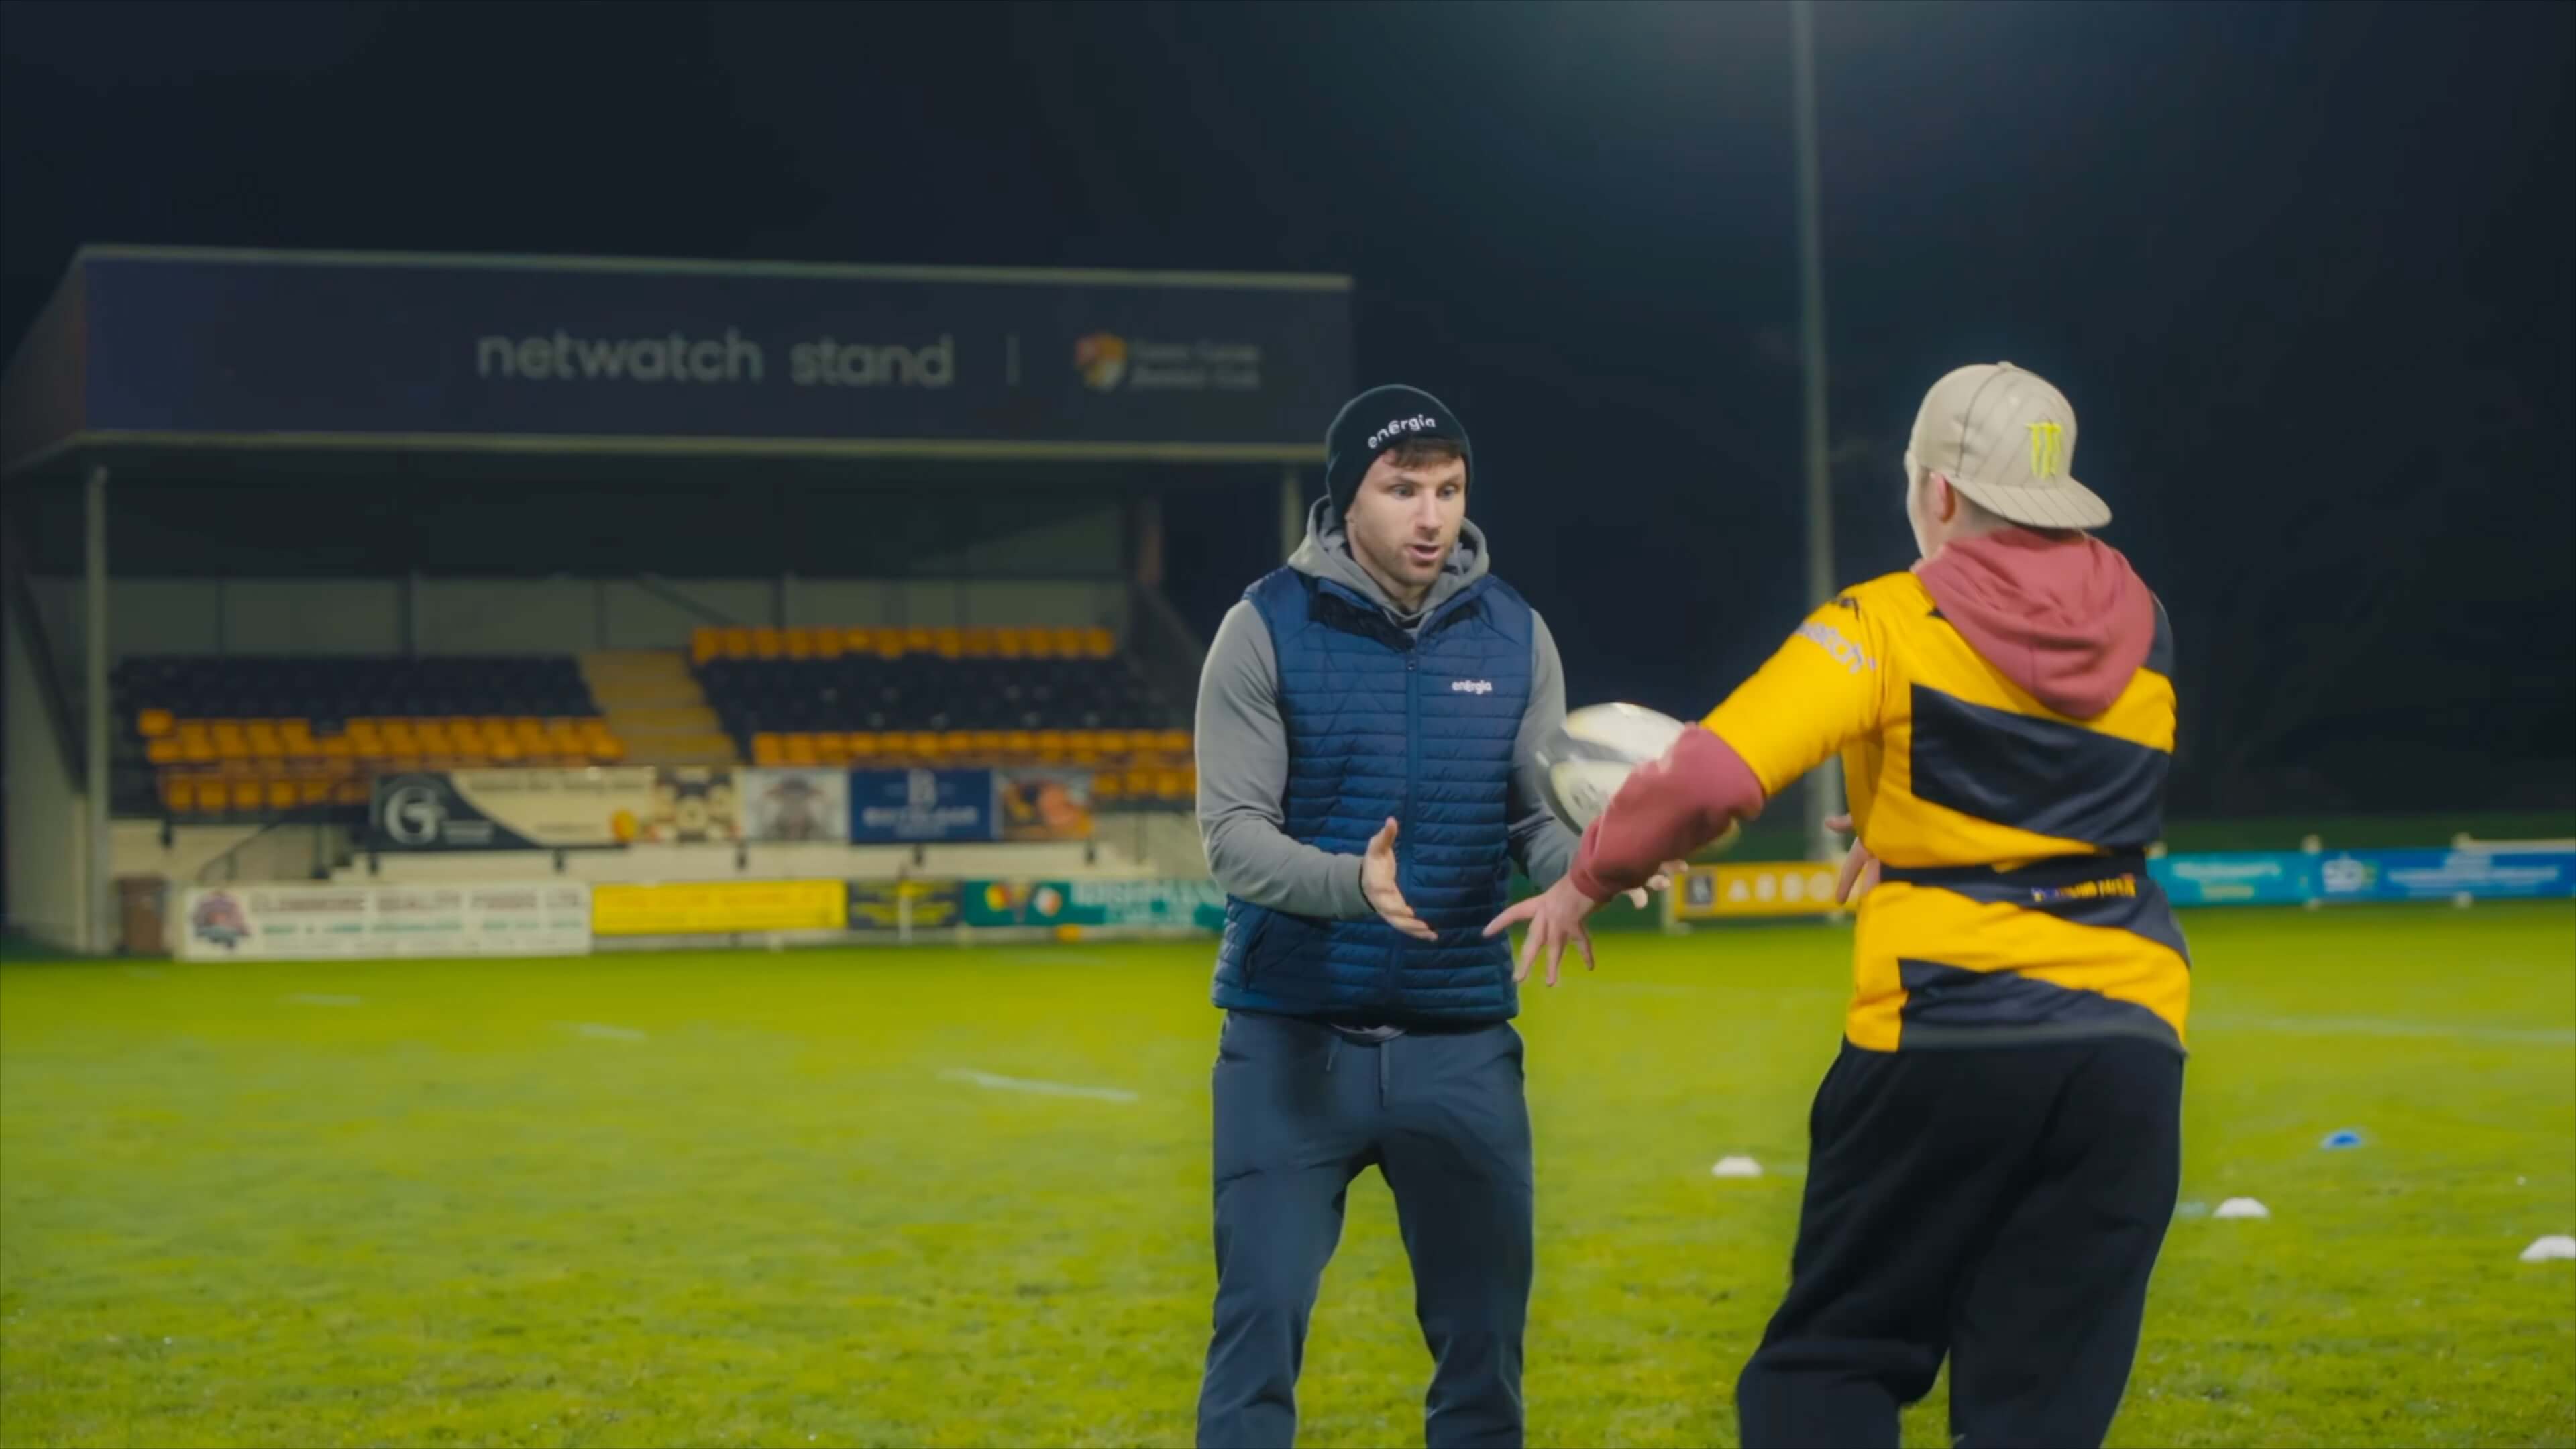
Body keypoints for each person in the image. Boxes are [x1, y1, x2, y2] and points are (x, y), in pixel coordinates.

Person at [1489, 362, 2186, 1449]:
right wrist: (1901, 827)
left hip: (1947, 1025)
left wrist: (1588, 876)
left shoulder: (1887, 619)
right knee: (2041, 1406)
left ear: (1939, 493)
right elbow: (2074, 794)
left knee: (1831, 1366)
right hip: (2133, 1040)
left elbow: (1712, 779)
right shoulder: (2145, 621)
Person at [1192, 384, 1663, 1448]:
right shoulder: (1262, 626)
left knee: (1483, 1358)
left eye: (1448, 490)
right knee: (1256, 1331)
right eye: (1402, 489)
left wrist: (1588, 867)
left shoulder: (1514, 634)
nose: (1431, 515)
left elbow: (1536, 821)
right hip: (1289, 1046)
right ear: (1346, 498)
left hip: (1460, 1051)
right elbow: (1231, 836)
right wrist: (1348, 884)